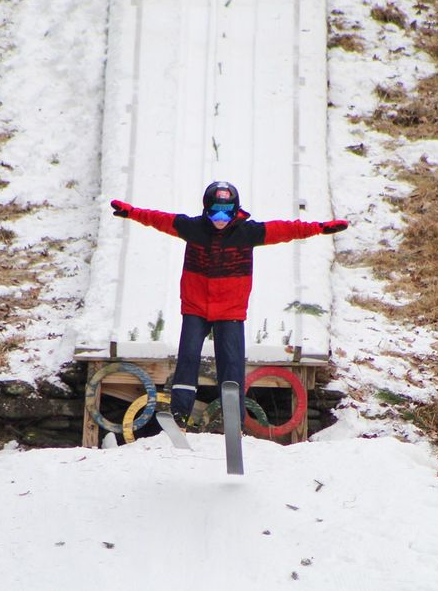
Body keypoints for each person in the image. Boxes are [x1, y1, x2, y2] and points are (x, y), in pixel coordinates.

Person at [110, 181, 347, 428]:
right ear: (206, 210)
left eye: (227, 213)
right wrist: (131, 212)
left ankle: (234, 416)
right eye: (215, 212)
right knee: (188, 357)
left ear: (236, 211)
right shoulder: (193, 228)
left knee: (231, 362)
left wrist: (319, 228)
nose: (220, 219)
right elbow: (158, 219)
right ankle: (180, 413)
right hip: (195, 307)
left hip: (230, 310)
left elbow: (286, 230)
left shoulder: (247, 232)